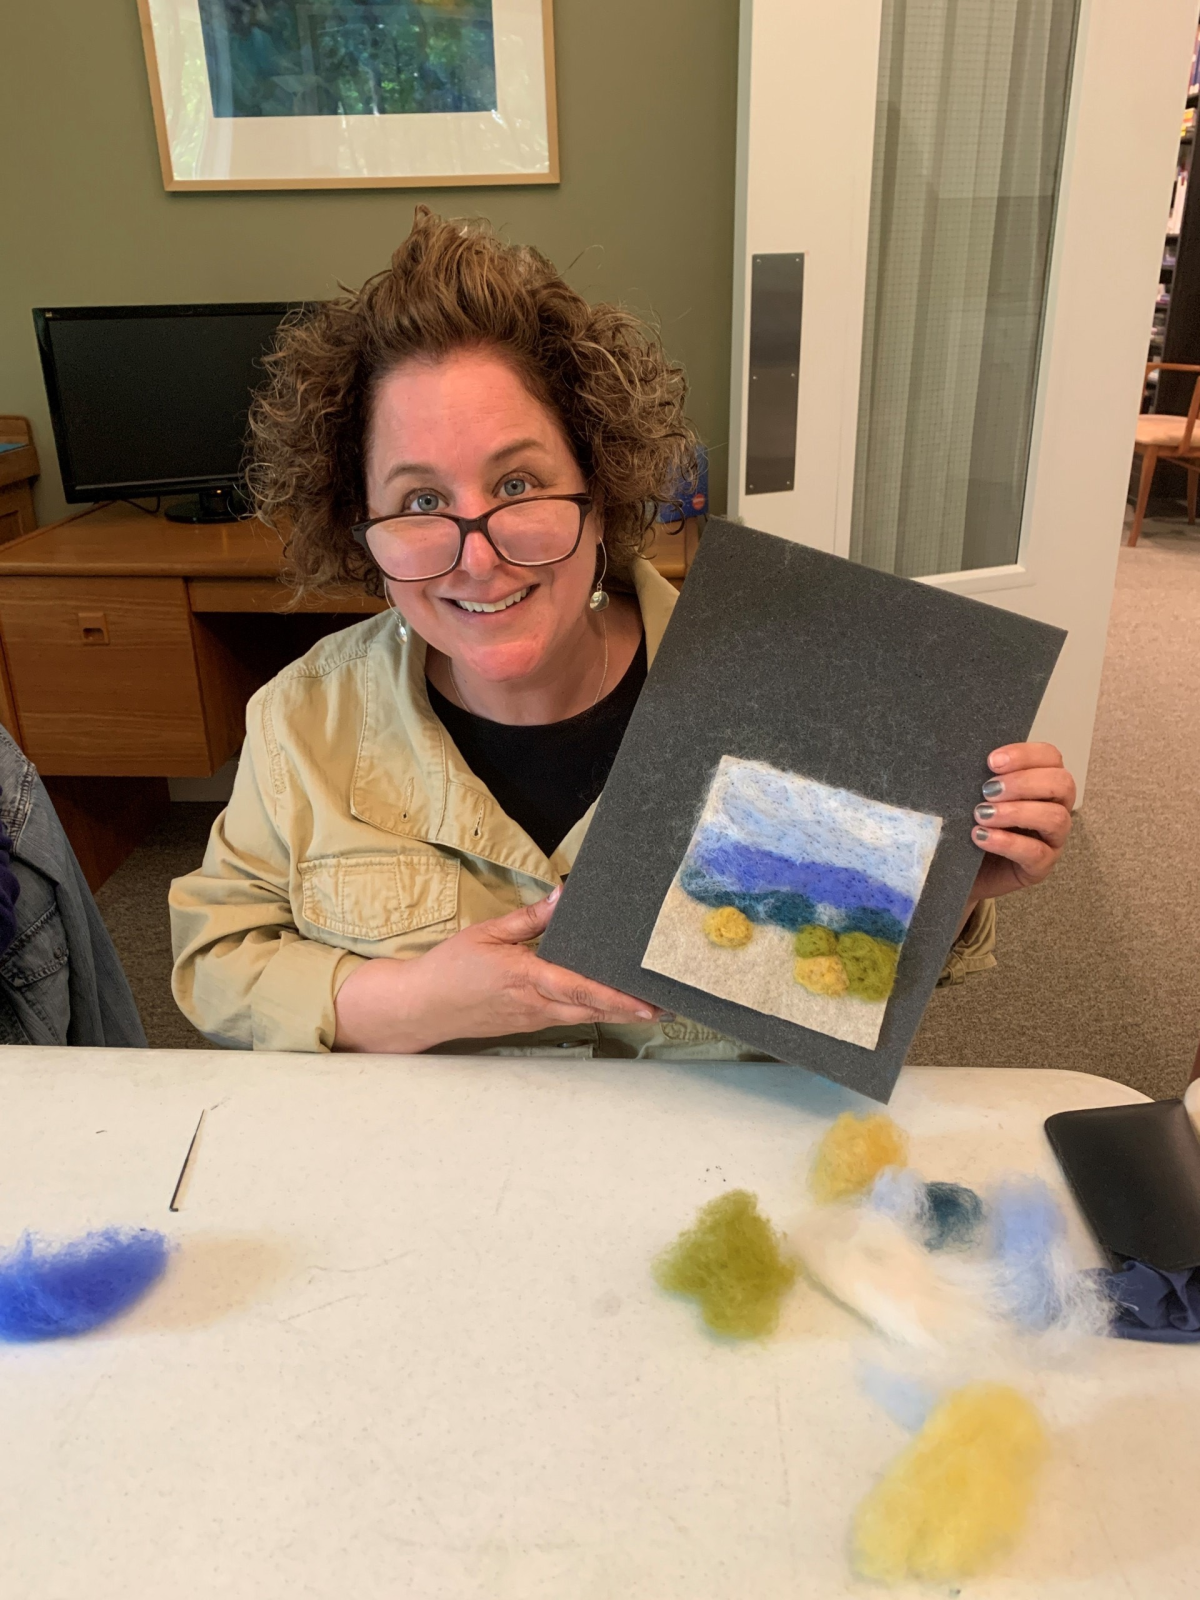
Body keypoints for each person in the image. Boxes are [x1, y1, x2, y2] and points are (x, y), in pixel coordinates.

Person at [169, 208, 1076, 1056]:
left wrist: (941, 894)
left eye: (518, 485)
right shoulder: (302, 723)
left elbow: (839, 983)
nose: (477, 558)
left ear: (599, 494)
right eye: (420, 501)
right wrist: (409, 1001)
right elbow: (214, 958)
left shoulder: (793, 692)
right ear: (362, 527)